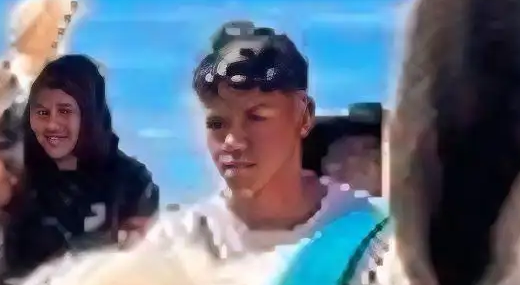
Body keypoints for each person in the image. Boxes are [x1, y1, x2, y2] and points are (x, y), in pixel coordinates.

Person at [152, 20, 371, 264]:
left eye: (256, 118)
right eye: (217, 124)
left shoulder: (363, 231)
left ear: (304, 116)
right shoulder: (179, 243)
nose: (233, 142)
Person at [0, 50, 158, 285]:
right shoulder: (22, 166)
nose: (52, 125)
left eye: (65, 111)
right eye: (43, 112)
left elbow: (140, 260)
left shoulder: (131, 181)